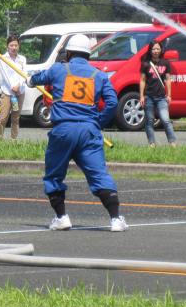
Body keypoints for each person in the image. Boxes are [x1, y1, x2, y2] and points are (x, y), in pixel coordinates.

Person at [28, 33, 127, 232]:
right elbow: (112, 102)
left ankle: (61, 217)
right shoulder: (98, 75)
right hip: (89, 131)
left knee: (54, 175)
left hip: (63, 130)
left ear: (69, 53)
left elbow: (37, 79)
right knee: (99, 175)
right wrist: (98, 120)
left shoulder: (58, 69)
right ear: (88, 55)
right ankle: (116, 219)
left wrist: (31, 80)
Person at [139, 39, 177, 147]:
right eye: (153, 49)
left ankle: (172, 142)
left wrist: (169, 95)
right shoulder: (145, 64)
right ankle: (151, 143)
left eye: (158, 49)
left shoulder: (165, 63)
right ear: (150, 50)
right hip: (149, 96)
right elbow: (142, 80)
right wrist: (141, 96)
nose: (155, 51)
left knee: (166, 120)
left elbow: (168, 79)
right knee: (149, 121)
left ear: (161, 50)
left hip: (161, 97)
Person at [0, 35, 27, 140]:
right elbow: (5, 76)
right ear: (7, 46)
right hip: (7, 92)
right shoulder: (3, 59)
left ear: (19, 46)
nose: (14, 47)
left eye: (16, 45)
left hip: (20, 92)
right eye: (11, 45)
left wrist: (19, 86)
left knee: (16, 118)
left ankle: (14, 140)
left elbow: (24, 74)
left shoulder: (22, 59)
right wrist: (13, 87)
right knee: (3, 118)